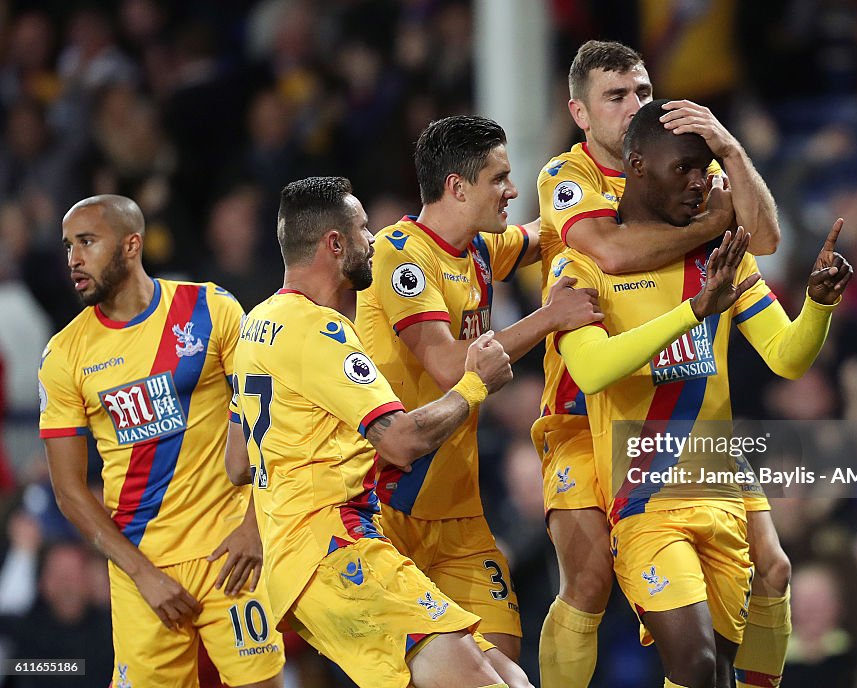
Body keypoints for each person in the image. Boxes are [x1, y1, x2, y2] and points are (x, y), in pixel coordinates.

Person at [554, 100, 852, 688]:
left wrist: (819, 303)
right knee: (694, 666)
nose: (701, 182)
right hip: (644, 491)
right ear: (636, 167)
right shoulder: (585, 263)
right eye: (683, 170)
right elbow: (590, 371)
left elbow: (787, 357)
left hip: (717, 474)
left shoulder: (722, 261)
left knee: (759, 602)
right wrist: (693, 311)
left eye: (706, 167)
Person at [532, 39, 787, 688]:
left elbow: (763, 239)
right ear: (580, 113)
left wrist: (728, 148)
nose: (634, 107)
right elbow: (610, 253)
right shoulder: (569, 178)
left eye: (642, 92)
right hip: (587, 406)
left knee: (772, 570)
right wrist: (711, 224)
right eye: (615, 97)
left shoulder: (691, 166)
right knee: (588, 582)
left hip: (686, 411)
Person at [227, 176, 530, 688]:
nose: (374, 239)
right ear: (335, 244)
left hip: (304, 564)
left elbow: (238, 462)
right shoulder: (319, 332)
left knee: (511, 680)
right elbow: (401, 441)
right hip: (336, 549)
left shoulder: (257, 325)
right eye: (365, 229)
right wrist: (475, 384)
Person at [356, 115, 602, 662]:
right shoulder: (399, 255)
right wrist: (549, 317)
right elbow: (450, 365)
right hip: (388, 508)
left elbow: (546, 232)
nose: (512, 190)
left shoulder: (482, 249)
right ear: (457, 187)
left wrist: (606, 192)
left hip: (460, 514)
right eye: (500, 178)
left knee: (506, 666)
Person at [38, 195, 284, 687]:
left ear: (132, 245)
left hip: (231, 553)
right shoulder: (64, 355)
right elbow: (68, 491)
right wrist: (143, 575)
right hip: (141, 567)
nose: (73, 258)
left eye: (87, 242)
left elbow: (270, 425)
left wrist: (256, 527)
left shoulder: (210, 309)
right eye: (68, 245)